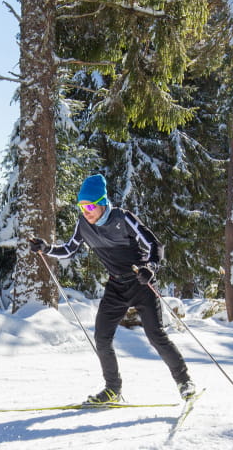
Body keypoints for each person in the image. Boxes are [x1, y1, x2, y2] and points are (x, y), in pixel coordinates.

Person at [30, 173, 196, 406]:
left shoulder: (122, 218)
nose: (85, 211)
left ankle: (185, 382)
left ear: (102, 203)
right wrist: (45, 248)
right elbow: (68, 249)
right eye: (81, 206)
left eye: (89, 206)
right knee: (102, 337)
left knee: (156, 335)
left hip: (141, 282)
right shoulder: (83, 225)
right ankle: (112, 390)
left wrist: (150, 268)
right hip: (116, 286)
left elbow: (154, 244)